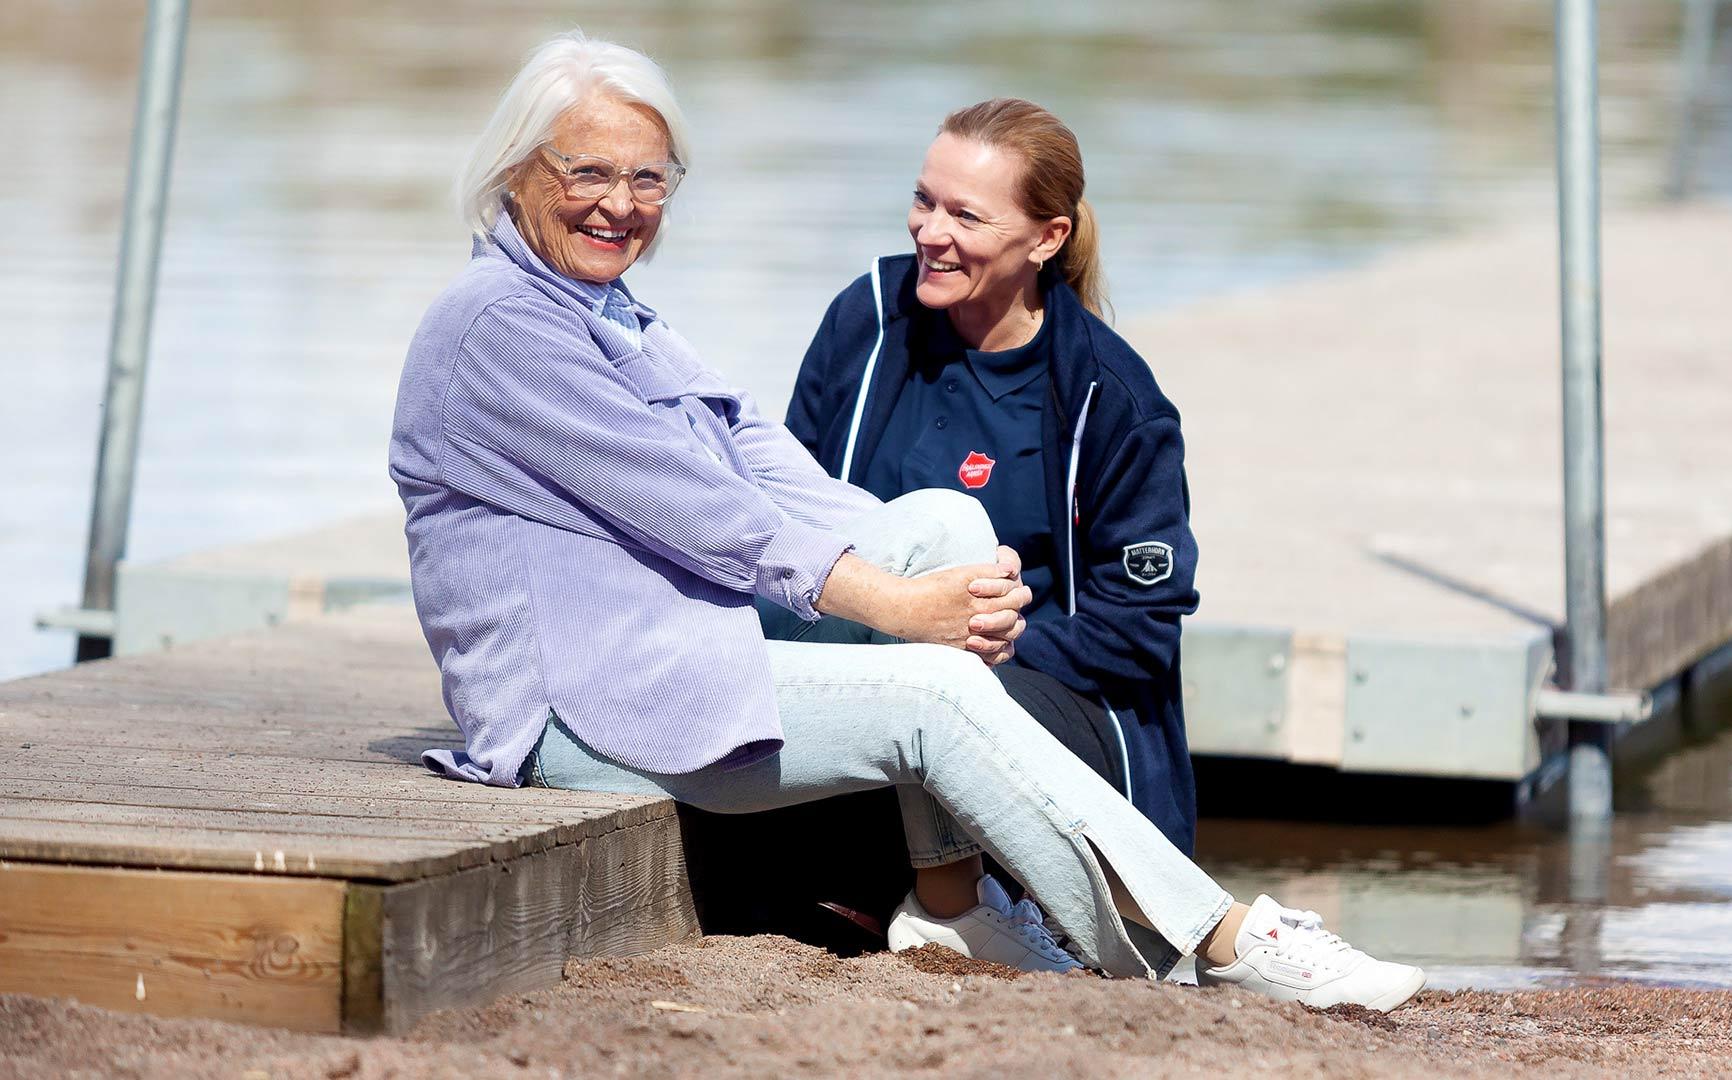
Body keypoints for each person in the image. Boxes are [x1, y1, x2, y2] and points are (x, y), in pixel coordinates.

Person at [388, 31, 1426, 1011]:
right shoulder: (500, 329)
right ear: (518, 170)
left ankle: (950, 911)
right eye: (589, 173)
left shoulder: (613, 314)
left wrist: (937, 584)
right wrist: (895, 610)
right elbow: (708, 518)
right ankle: (1213, 941)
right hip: (577, 702)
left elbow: (766, 464)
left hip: (663, 650)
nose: (621, 205)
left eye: (648, 178)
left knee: (943, 523)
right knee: (927, 687)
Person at [786, 98, 1199, 852]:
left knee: (938, 696)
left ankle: (958, 896)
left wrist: (989, 642)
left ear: (1048, 238)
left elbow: (1139, 634)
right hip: (863, 659)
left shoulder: (1114, 399)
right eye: (923, 200)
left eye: (966, 217)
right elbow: (784, 508)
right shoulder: (866, 322)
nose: (930, 233)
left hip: (1046, 693)